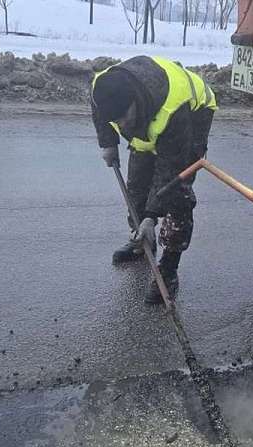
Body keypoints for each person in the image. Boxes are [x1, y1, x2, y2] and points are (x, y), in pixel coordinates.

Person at [91, 55, 217, 304]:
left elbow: (169, 171)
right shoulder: (103, 87)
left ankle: (169, 268)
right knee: (137, 185)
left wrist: (151, 215)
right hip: (152, 120)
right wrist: (108, 143)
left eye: (123, 117)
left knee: (176, 194)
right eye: (115, 121)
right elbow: (99, 111)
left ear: (135, 101)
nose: (121, 124)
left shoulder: (173, 109)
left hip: (192, 117)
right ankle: (141, 240)